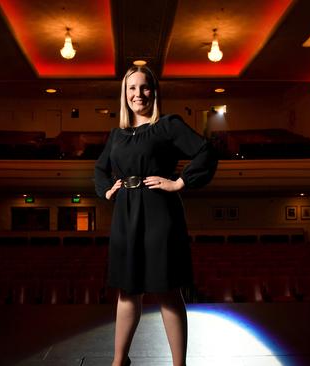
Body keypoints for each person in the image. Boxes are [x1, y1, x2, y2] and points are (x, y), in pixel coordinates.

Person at [94, 65, 218, 366]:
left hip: (160, 213)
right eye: (132, 88)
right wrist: (107, 190)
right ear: (124, 94)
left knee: (167, 289)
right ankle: (119, 360)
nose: (138, 94)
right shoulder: (116, 135)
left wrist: (179, 182)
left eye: (144, 87)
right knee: (127, 291)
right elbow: (100, 169)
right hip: (126, 215)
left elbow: (206, 151)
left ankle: (179, 365)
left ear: (154, 91)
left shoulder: (168, 125)